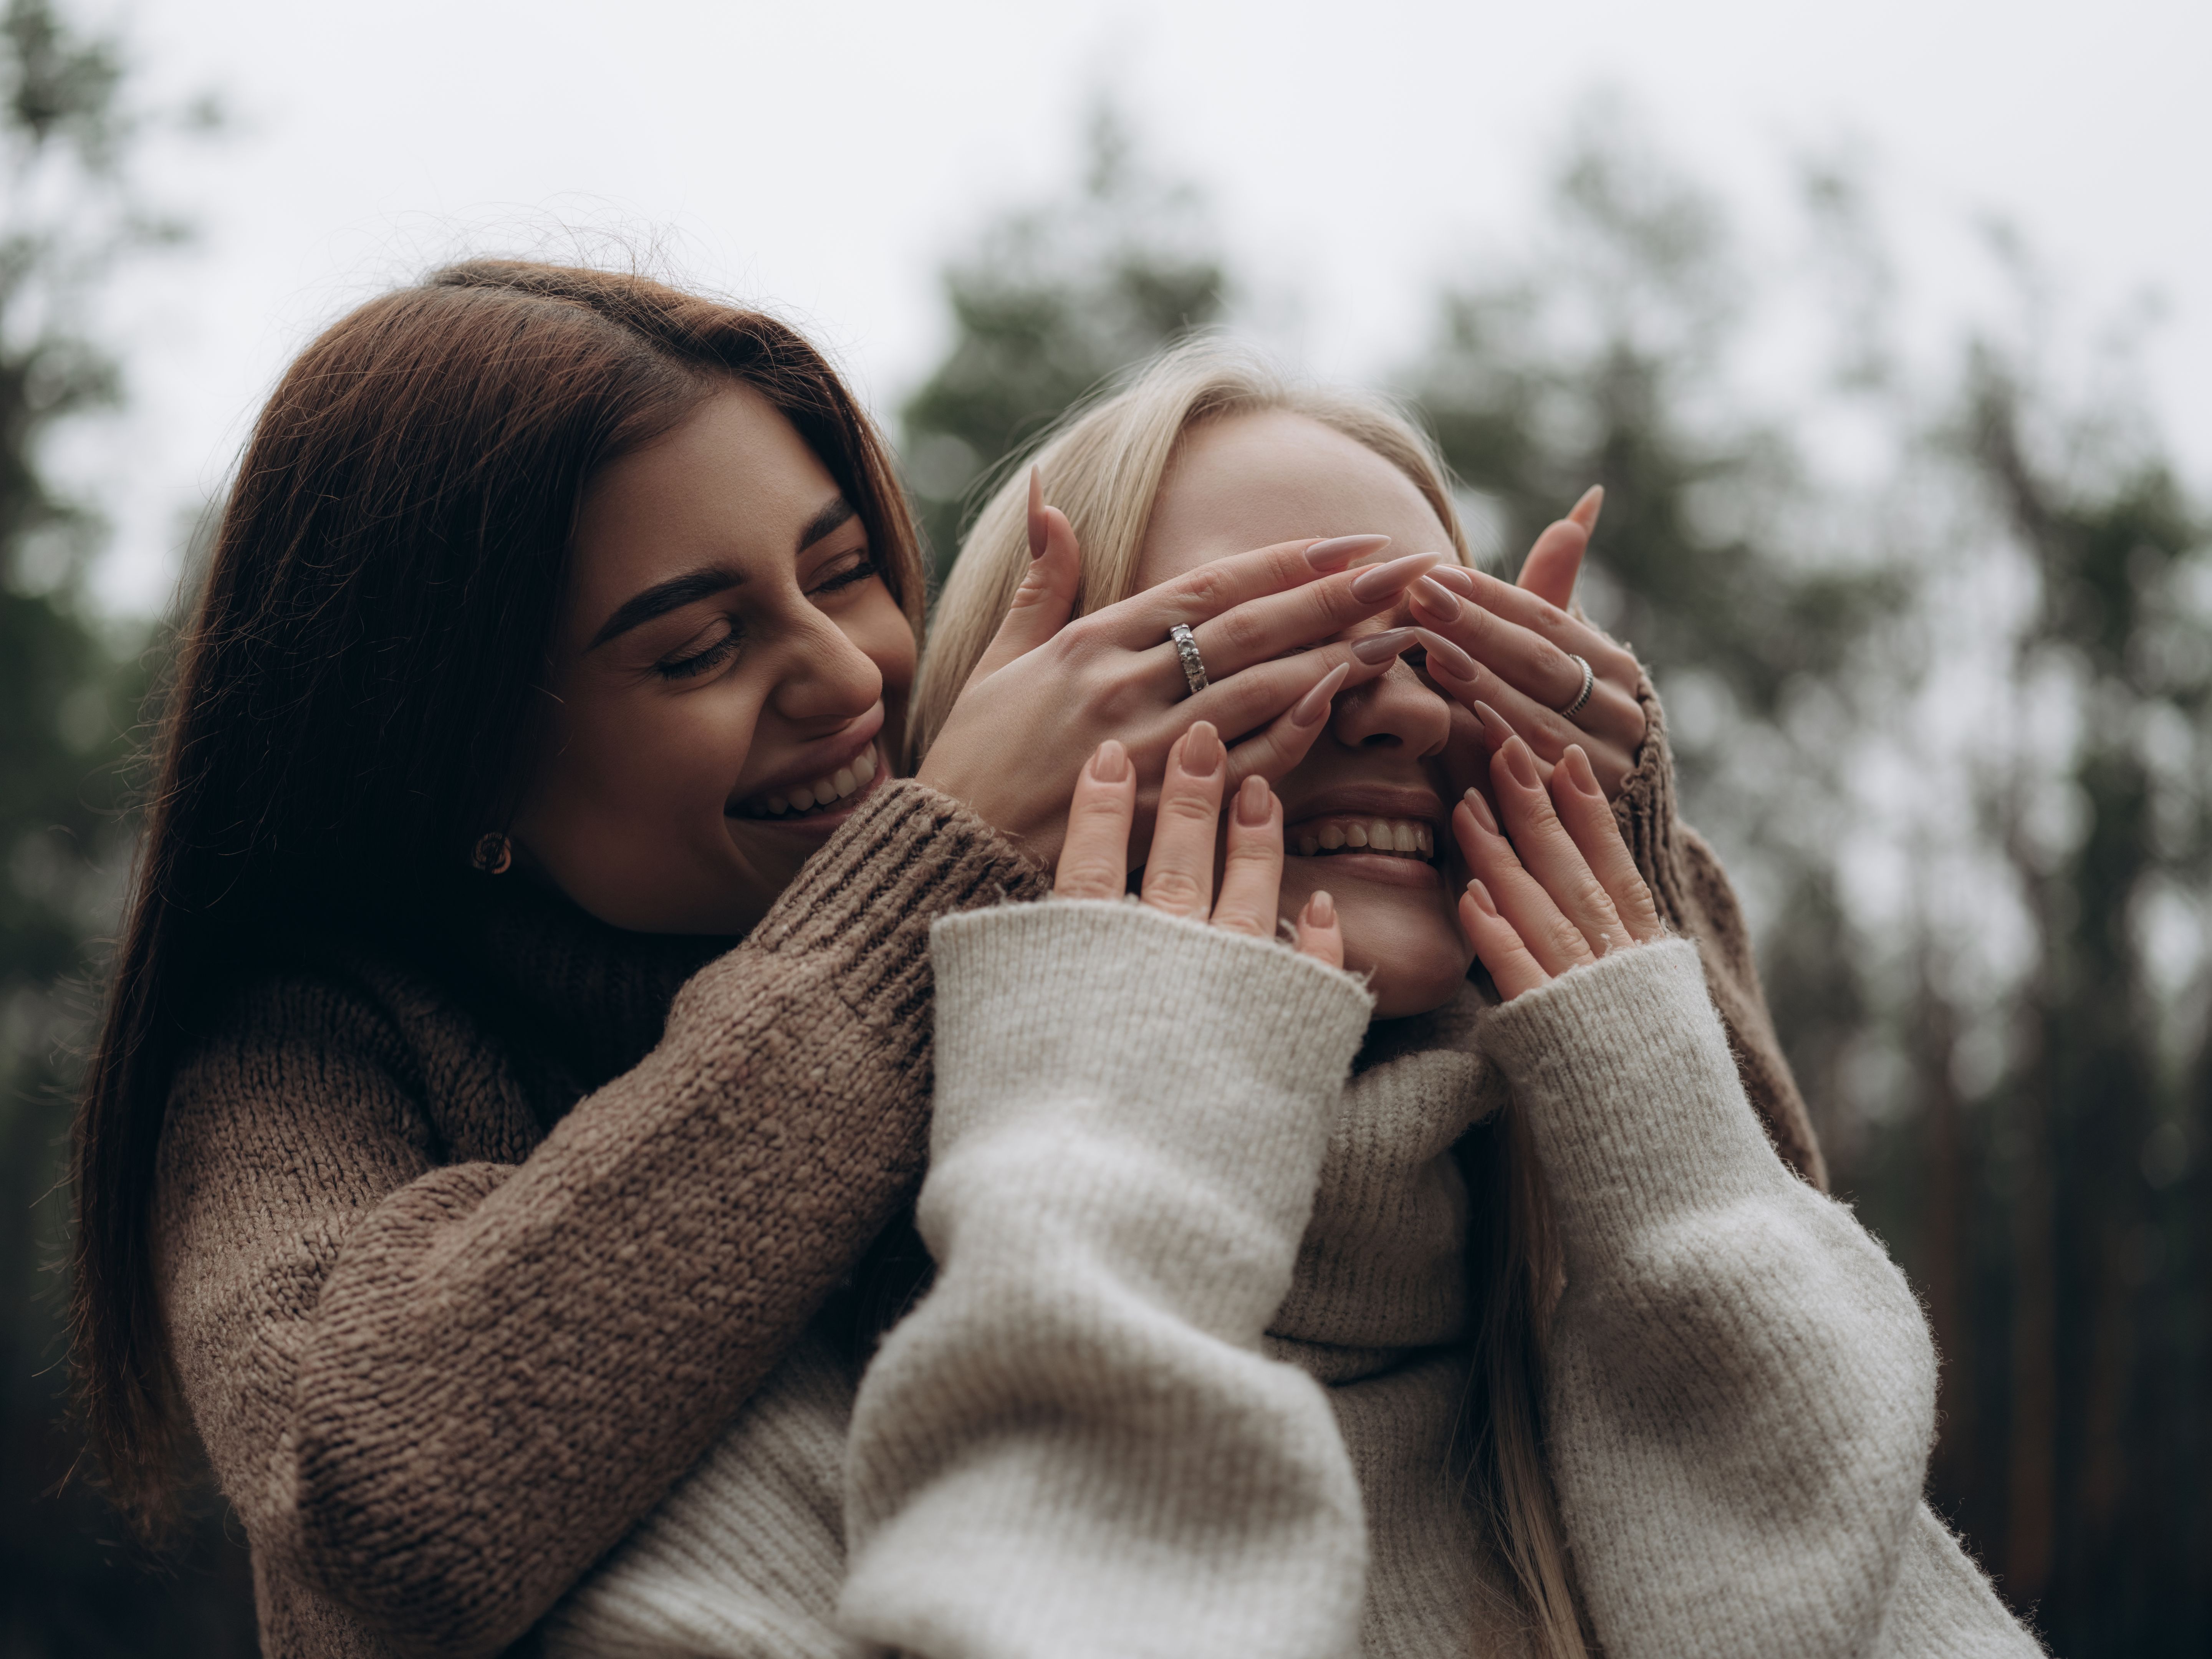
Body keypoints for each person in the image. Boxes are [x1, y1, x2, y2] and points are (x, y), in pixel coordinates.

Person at [66, 267, 1492, 1659]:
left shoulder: (1051, 919)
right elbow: (393, 1513)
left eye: (845, 570)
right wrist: (918, 892)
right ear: (459, 771)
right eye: (697, 649)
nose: (850, 675)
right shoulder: (301, 1062)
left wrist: (1576, 823)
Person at [543, 343, 2032, 1657]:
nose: (1399, 708)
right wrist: (1137, 1093)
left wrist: (1674, 1160)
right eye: (1252, 652)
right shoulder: (756, 1475)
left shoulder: (1605, 1367)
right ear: (1033, 749)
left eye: (1455, 650)